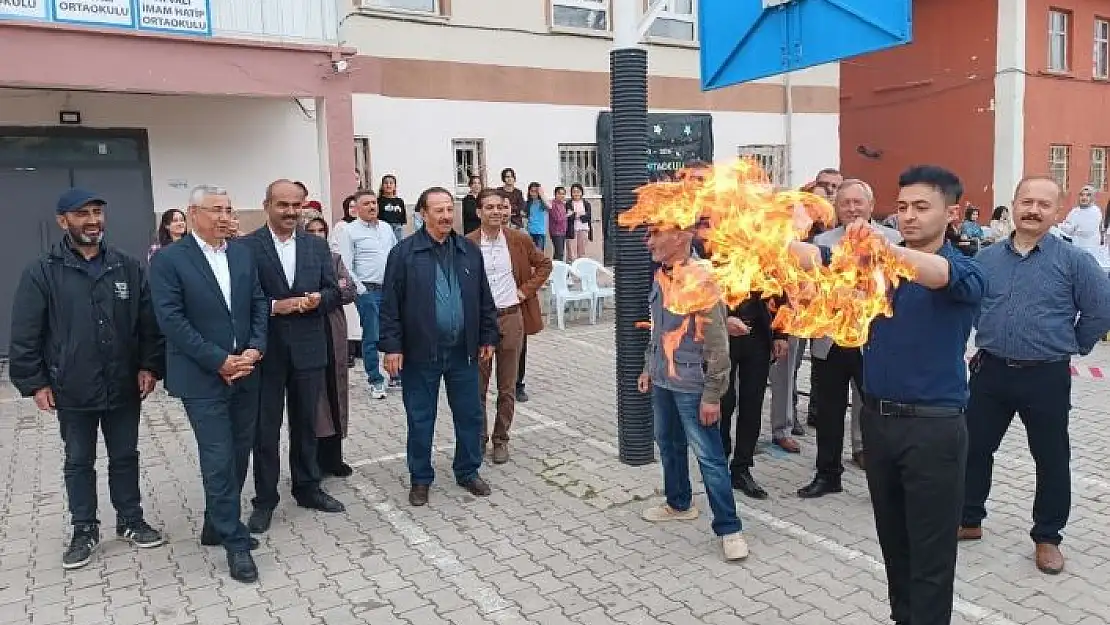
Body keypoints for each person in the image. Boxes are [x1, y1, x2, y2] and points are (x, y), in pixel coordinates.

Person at [792, 165, 986, 625]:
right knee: (896, 552)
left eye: (922, 207)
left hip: (933, 430)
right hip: (878, 424)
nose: (910, 216)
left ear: (952, 212)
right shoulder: (872, 267)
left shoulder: (963, 269)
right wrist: (759, 238)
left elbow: (937, 272)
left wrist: (883, 248)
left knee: (931, 560)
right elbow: (811, 255)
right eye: (902, 207)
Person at [9, 188, 166, 570]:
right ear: (63, 221)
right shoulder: (42, 271)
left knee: (125, 456)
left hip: (124, 383)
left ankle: (130, 520)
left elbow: (148, 324)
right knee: (79, 460)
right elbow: (26, 333)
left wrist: (149, 365)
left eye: (97, 212)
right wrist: (35, 383)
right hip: (72, 386)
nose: (92, 221)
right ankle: (84, 529)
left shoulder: (126, 266)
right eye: (82, 214)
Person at [960, 175, 1110, 575]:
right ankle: (969, 518)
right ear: (1013, 204)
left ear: (1057, 212)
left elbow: (1099, 310)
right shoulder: (987, 259)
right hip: (989, 372)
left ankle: (1047, 537)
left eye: (1044, 204)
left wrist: (1073, 345)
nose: (1033, 210)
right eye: (1027, 201)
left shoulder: (1074, 261)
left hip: (1045, 376)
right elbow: (974, 306)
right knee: (973, 448)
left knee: (1051, 458)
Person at [149, 185, 270, 583]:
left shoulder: (241, 252)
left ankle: (215, 524)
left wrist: (254, 348)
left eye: (229, 208)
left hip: (246, 371)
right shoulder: (169, 260)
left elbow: (256, 303)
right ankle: (235, 544)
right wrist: (219, 360)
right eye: (215, 209)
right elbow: (172, 321)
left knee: (238, 454)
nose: (224, 216)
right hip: (203, 377)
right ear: (193, 213)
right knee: (218, 458)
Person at [379, 186, 500, 507]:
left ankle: (468, 470)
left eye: (450, 209)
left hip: (464, 352)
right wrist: (392, 348)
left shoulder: (468, 250)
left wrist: (488, 336)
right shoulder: (404, 254)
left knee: (470, 415)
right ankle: (420, 478)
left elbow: (484, 299)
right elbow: (389, 306)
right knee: (421, 418)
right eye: (439, 210)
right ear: (422, 214)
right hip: (420, 354)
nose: (447, 216)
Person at [636, 225, 749, 562]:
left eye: (657, 233)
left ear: (683, 237)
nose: (649, 241)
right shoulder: (661, 274)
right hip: (662, 380)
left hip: (691, 386)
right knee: (668, 445)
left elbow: (718, 344)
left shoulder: (701, 279)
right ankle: (678, 503)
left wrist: (713, 394)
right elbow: (659, 330)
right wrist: (647, 367)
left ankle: (730, 529)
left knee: (710, 459)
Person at [242, 180, 345, 534]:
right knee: (265, 429)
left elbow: (334, 292)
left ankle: (307, 487)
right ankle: (265, 499)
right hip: (266, 351)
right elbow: (241, 299)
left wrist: (319, 299)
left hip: (309, 347)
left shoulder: (316, 247)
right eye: (282, 205)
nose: (290, 212)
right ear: (266, 205)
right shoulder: (247, 247)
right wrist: (275, 306)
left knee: (306, 424)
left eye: (296, 205)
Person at [799, 179, 901, 497]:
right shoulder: (822, 241)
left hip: (874, 341)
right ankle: (828, 474)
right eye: (845, 203)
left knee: (877, 413)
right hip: (831, 340)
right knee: (828, 412)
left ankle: (883, 480)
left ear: (871, 206)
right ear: (837, 207)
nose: (852, 209)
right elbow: (810, 288)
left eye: (858, 202)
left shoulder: (894, 240)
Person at [467, 188, 552, 464]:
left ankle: (501, 439)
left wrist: (524, 291)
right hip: (480, 323)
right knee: (477, 387)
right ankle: (478, 438)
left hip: (511, 317)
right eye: (489, 207)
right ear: (478, 212)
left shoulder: (518, 239)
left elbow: (544, 264)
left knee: (507, 386)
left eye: (500, 207)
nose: (496, 212)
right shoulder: (466, 244)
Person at [304, 215, 359, 477]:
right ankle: (311, 459)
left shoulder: (334, 259)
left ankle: (333, 457)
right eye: (311, 230)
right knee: (314, 396)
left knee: (336, 391)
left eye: (320, 230)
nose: (317, 235)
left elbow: (348, 291)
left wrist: (322, 297)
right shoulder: (299, 261)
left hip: (334, 330)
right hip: (308, 332)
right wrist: (329, 293)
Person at [718, 293, 787, 499]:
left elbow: (781, 288)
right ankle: (718, 464)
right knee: (723, 402)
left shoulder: (768, 258)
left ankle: (741, 469)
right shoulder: (710, 258)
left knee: (752, 405)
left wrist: (781, 334)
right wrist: (723, 319)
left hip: (757, 335)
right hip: (723, 334)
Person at [337, 189, 399, 398]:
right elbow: (345, 263)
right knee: (371, 334)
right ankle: (375, 380)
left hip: (389, 289)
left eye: (374, 203)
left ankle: (395, 374)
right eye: (366, 204)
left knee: (393, 331)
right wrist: (360, 289)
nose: (372, 207)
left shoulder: (386, 228)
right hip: (367, 290)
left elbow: (395, 255)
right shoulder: (349, 231)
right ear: (356, 208)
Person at [378, 174, 407, 242]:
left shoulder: (400, 201)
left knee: (399, 246)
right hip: (384, 227)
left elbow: (403, 217)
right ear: (382, 186)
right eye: (386, 183)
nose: (388, 185)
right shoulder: (378, 201)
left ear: (395, 186)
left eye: (391, 183)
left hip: (398, 227)